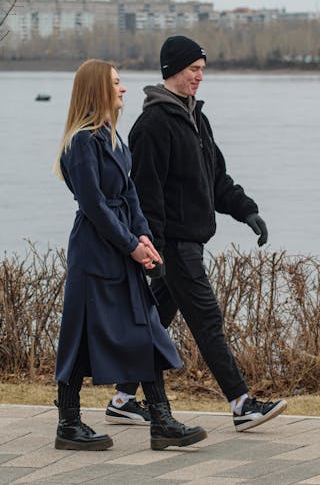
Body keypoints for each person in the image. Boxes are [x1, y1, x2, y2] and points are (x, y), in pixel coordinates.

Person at [104, 36, 287, 432]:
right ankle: (241, 404)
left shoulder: (196, 119)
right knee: (208, 320)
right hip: (173, 247)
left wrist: (247, 210)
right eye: (194, 70)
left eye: (202, 70)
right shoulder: (153, 125)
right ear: (173, 70)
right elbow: (145, 197)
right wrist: (151, 250)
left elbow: (216, 179)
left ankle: (121, 400)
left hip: (191, 242)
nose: (200, 77)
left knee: (153, 320)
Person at [52, 59, 206, 451]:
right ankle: (68, 424)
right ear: (96, 90)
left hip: (122, 248)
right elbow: (95, 206)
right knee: (79, 336)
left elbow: (130, 195)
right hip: (95, 255)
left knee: (146, 330)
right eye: (116, 83)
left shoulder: (113, 139)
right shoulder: (82, 141)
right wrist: (131, 245)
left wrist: (144, 236)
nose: (123, 89)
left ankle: (162, 421)